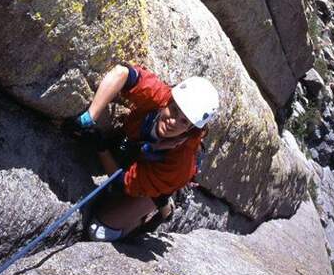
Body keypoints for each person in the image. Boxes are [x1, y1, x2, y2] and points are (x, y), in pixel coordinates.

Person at [64, 63, 219, 242]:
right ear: (169, 100)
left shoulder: (179, 163)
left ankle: (158, 208)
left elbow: (123, 183)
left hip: (161, 182)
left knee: (99, 231)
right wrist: (88, 118)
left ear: (190, 129)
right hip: (139, 149)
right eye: (174, 110)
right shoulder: (159, 96)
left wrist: (102, 148)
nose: (172, 122)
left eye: (183, 122)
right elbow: (122, 72)